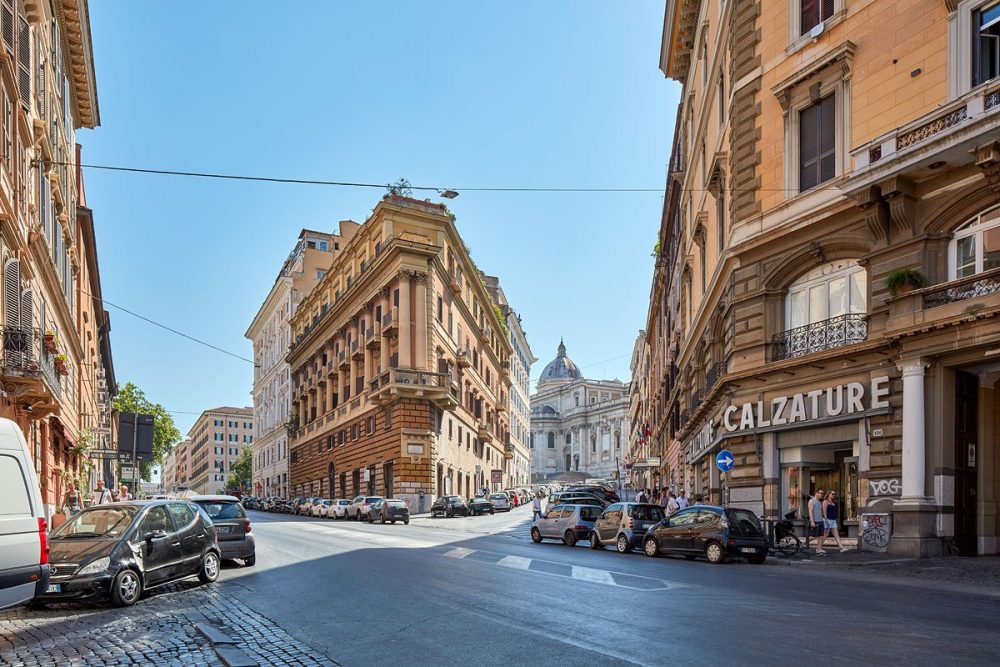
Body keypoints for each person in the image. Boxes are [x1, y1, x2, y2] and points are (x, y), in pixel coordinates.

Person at [808, 488, 826, 555]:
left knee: (821, 536)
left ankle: (819, 549)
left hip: (821, 521)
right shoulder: (811, 501)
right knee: (815, 536)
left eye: (822, 494)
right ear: (816, 493)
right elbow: (810, 512)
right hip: (815, 521)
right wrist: (812, 521)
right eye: (821, 493)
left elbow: (820, 512)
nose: (822, 495)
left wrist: (823, 519)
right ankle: (804, 543)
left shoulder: (819, 502)